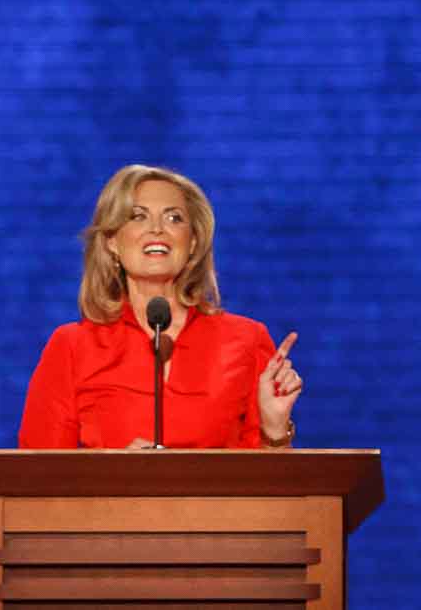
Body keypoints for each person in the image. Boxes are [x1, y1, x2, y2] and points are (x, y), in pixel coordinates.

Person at [19, 164, 304, 450]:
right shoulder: (72, 346)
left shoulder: (246, 340)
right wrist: (113, 473)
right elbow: (37, 479)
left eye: (174, 218)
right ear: (111, 242)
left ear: (193, 242)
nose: (157, 229)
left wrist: (275, 430)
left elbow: (271, 485)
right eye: (137, 217)